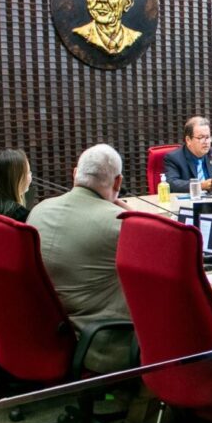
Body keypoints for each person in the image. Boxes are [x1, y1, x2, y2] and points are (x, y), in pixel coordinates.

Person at [27, 144, 133, 373]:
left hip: (41, 328)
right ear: (117, 182)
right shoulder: (119, 222)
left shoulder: (39, 210)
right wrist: (135, 216)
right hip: (99, 340)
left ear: (75, 173)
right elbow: (167, 251)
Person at [164, 116, 212, 193]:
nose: (206, 142)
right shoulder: (174, 158)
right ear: (188, 140)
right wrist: (200, 185)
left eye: (208, 137)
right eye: (201, 137)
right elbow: (171, 184)